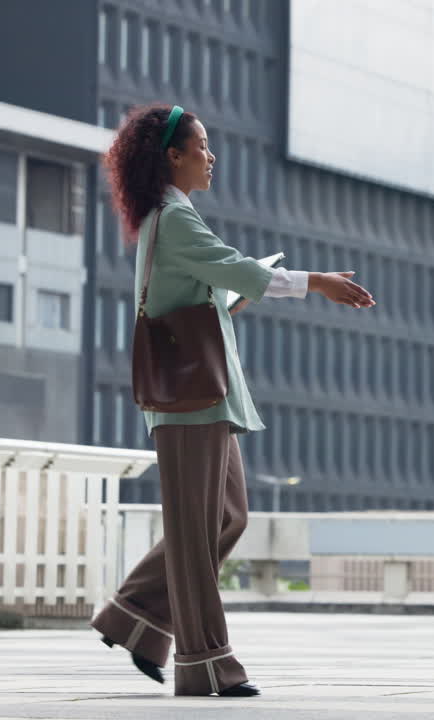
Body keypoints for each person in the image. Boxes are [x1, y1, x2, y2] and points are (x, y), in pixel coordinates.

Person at [88, 103, 374, 698]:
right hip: (189, 399)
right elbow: (238, 271)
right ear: (174, 156)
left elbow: (217, 285)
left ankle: (133, 615)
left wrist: (244, 287)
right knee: (195, 533)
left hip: (206, 395)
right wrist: (317, 282)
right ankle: (206, 663)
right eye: (201, 146)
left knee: (225, 519)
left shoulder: (174, 216)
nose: (210, 156)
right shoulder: (173, 218)